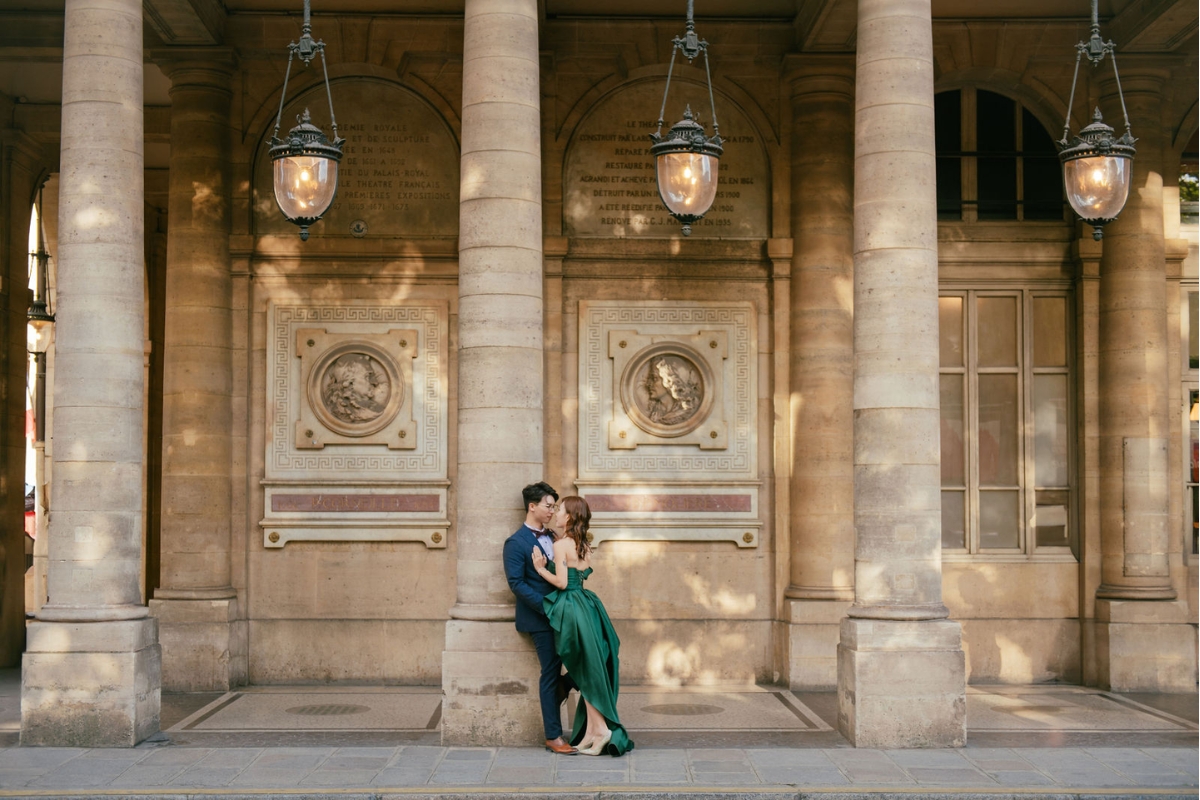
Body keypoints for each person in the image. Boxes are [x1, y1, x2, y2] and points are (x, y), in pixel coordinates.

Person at [532, 496, 633, 756]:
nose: (556, 513)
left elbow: (563, 583)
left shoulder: (562, 544)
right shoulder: (583, 544)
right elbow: (582, 573)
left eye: (561, 511)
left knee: (583, 669)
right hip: (588, 604)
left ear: (569, 517)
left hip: (571, 607)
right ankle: (592, 733)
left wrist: (541, 569)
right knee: (587, 669)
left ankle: (600, 732)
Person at [502, 481, 578, 754]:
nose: (552, 511)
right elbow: (517, 584)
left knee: (590, 657)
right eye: (549, 506)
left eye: (554, 507)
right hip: (541, 619)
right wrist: (548, 607)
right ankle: (554, 736)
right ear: (532, 507)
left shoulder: (555, 537)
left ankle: (562, 688)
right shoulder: (515, 542)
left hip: (566, 613)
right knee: (550, 672)